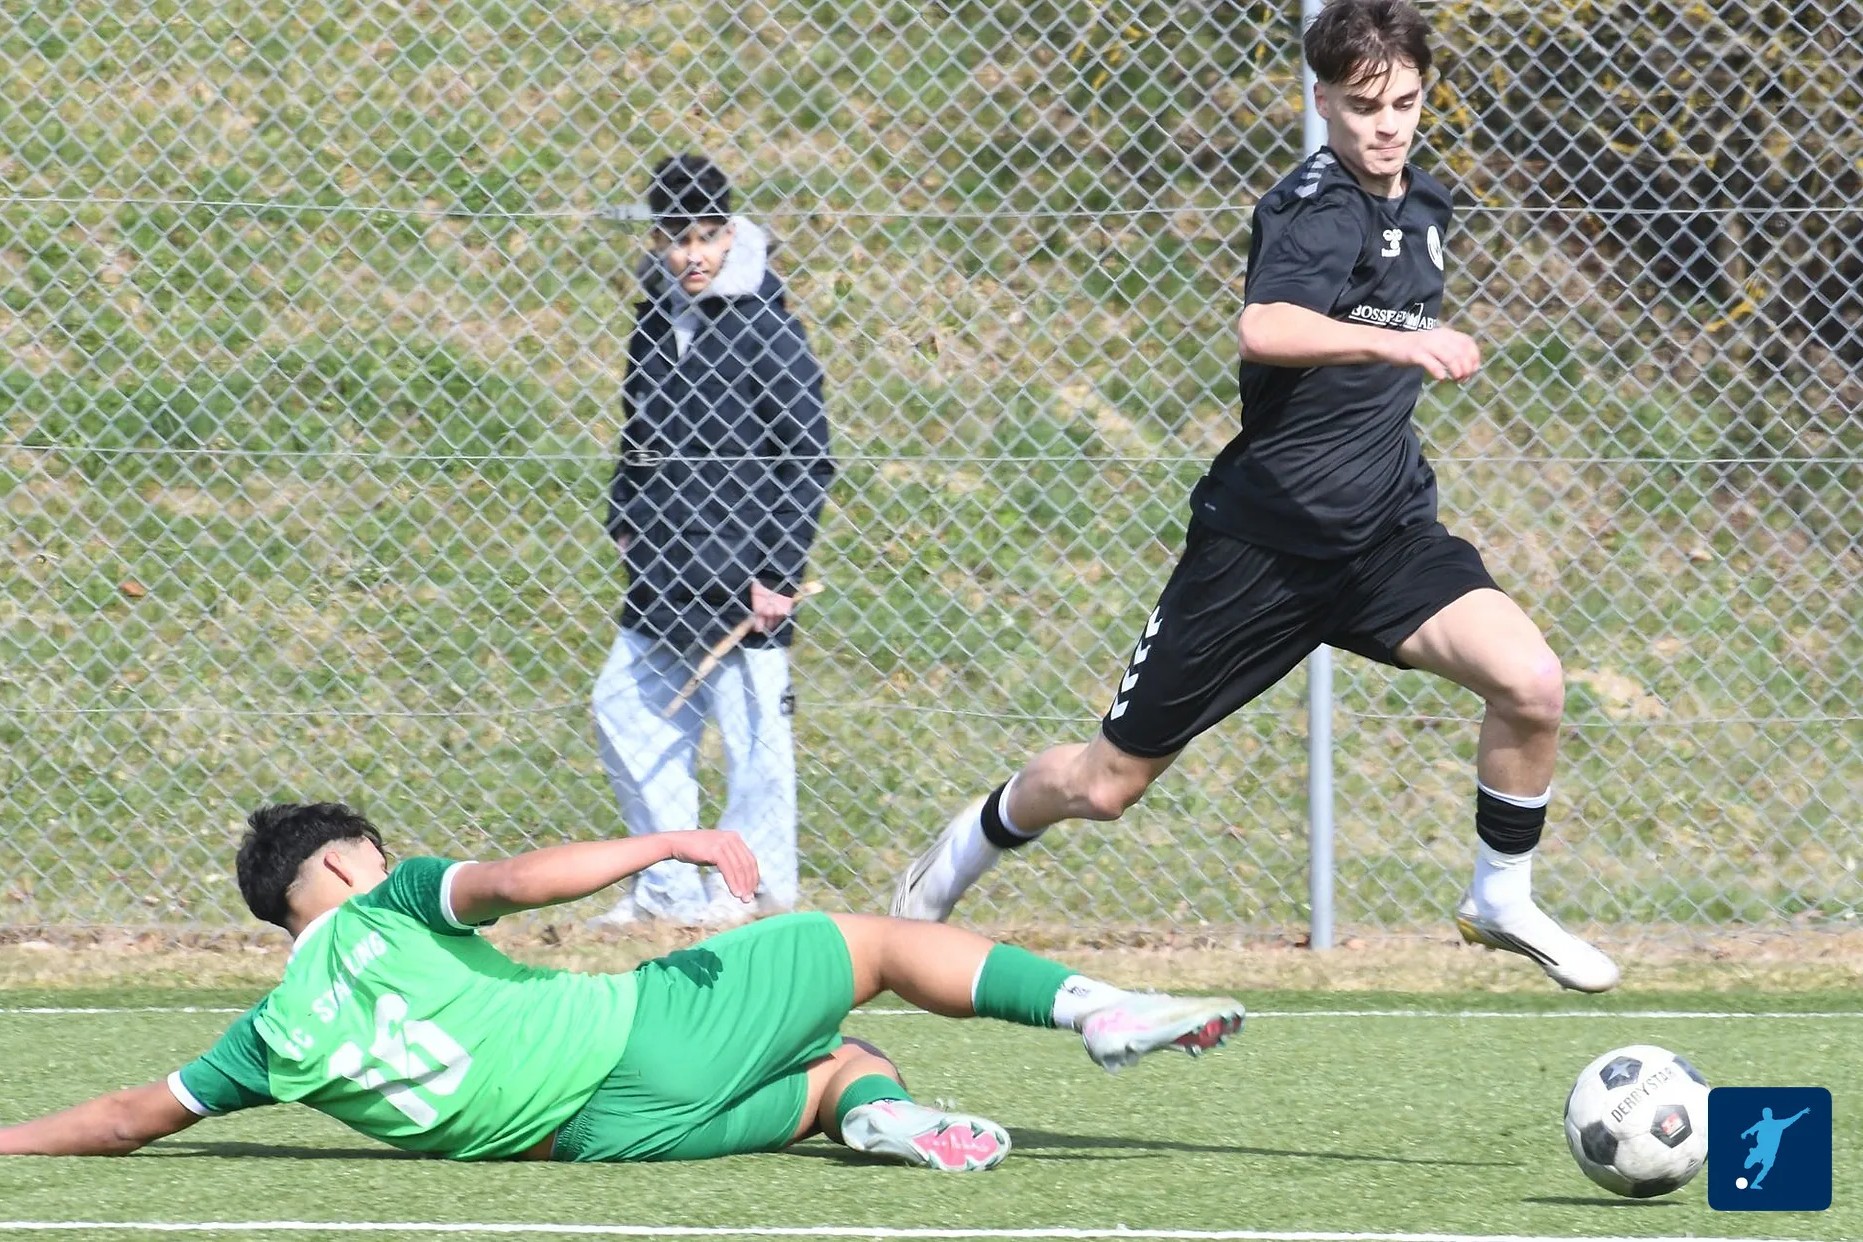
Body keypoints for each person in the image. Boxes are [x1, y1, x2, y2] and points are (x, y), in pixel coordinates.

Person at [891, 0, 1618, 993]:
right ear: (1321, 102)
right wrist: (1399, 340)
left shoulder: (1429, 208)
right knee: (1108, 786)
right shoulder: (1313, 204)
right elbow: (1267, 326)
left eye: (1404, 102)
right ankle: (973, 840)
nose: (1386, 124)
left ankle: (1500, 896)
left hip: (1385, 541)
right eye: (1362, 106)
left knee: (1532, 683)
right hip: (1261, 551)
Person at [0, 803, 1244, 1170]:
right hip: (630, 1040)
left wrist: (7, 1138)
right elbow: (518, 881)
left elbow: (121, 1120)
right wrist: (670, 845)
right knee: (857, 942)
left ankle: (874, 1117)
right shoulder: (381, 901)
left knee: (829, 1074)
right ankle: (1098, 1009)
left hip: (598, 1141)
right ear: (339, 864)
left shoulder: (268, 1036)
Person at [592, 152, 835, 927]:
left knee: (754, 742)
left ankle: (751, 894)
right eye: (676, 238)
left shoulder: (767, 327)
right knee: (623, 708)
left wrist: (778, 570)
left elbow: (809, 454)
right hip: (664, 568)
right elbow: (636, 435)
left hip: (743, 579)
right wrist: (626, 517)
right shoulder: (653, 322)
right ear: (658, 240)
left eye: (705, 237)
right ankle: (669, 887)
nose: (692, 255)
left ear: (730, 235)